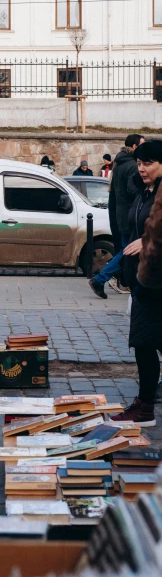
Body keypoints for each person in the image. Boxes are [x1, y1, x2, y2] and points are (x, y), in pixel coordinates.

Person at [108, 141, 162, 426]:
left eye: (149, 163)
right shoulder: (145, 192)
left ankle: (144, 407)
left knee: (143, 341)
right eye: (140, 162)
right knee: (146, 341)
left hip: (154, 280)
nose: (142, 168)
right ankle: (145, 404)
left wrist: (147, 240)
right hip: (144, 277)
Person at [88, 134, 145, 298]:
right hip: (131, 216)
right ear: (134, 147)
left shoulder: (119, 163)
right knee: (127, 252)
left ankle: (116, 280)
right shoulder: (133, 165)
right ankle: (101, 278)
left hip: (121, 215)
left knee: (126, 251)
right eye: (142, 145)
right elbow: (132, 190)